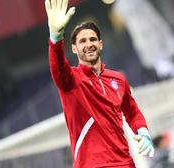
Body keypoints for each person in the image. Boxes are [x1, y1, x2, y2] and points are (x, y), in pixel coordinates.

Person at [44, 0, 154, 167]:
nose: (89, 44)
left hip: (125, 163)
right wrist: (55, 37)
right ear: (74, 48)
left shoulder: (118, 79)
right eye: (82, 41)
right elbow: (57, 66)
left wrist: (143, 132)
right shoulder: (71, 80)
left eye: (93, 39)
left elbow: (132, 112)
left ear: (100, 44)